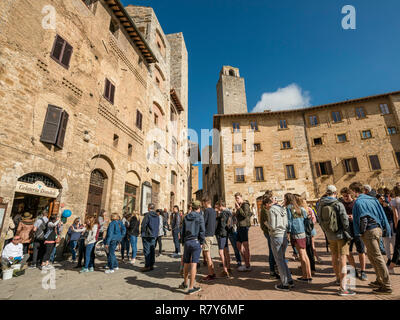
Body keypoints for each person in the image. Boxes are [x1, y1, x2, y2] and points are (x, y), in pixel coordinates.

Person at [349, 182, 392, 295]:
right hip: (377, 229)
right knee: (372, 256)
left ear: (354, 191)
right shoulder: (373, 200)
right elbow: (382, 214)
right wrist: (385, 227)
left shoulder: (358, 202)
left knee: (377, 257)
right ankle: (379, 280)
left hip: (369, 231)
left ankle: (387, 286)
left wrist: (359, 232)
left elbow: (361, 219)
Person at [318, 185, 354, 296]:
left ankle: (338, 278)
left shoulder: (321, 203)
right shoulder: (338, 204)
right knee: (343, 258)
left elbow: (319, 219)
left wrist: (326, 230)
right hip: (341, 234)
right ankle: (343, 288)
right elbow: (345, 220)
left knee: (334, 256)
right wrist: (346, 231)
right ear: (335, 192)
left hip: (329, 234)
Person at [263, 196, 294, 291]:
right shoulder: (282, 208)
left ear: (267, 204)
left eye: (265, 206)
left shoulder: (272, 210)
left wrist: (266, 224)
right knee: (282, 259)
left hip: (276, 236)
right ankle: (289, 280)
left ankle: (284, 284)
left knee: (279, 261)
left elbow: (273, 226)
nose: (266, 208)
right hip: (284, 235)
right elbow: (286, 223)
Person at [339, 187, 367, 281]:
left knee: (361, 251)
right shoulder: (341, 204)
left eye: (346, 196)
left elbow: (363, 214)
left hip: (357, 230)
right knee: (348, 252)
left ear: (351, 194)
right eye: (343, 196)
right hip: (347, 231)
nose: (345, 198)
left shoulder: (356, 203)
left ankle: (363, 271)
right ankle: (354, 270)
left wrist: (354, 217)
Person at [178, 200, 205, 295]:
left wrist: (182, 242)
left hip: (187, 242)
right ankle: (191, 287)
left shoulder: (186, 217)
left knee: (186, 263)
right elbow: (202, 231)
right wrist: (201, 242)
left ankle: (185, 283)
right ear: (199, 208)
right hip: (195, 241)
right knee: (194, 264)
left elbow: (183, 230)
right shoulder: (200, 217)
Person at [285, 193, 312, 282]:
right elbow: (305, 218)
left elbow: (289, 221)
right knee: (305, 254)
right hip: (302, 232)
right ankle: (309, 275)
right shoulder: (300, 208)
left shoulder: (289, 208)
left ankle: (305, 276)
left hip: (295, 232)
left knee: (301, 255)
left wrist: (288, 232)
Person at [295, 195, 316, 275]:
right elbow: (314, 220)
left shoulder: (301, 210)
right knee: (309, 250)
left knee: (307, 251)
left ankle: (310, 268)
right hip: (309, 231)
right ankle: (310, 267)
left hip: (305, 232)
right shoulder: (308, 209)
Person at [259, 195, 278, 279]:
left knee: (273, 251)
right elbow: (268, 223)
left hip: (270, 232)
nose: (271, 204)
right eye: (270, 203)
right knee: (272, 251)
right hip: (269, 232)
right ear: (266, 204)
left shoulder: (267, 209)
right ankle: (272, 271)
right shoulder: (265, 211)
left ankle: (275, 269)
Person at [234, 192, 252, 272]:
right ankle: (246, 261)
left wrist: (238, 208)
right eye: (236, 198)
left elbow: (245, 215)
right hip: (239, 227)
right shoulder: (240, 205)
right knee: (238, 245)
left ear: (241, 197)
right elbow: (239, 215)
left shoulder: (245, 205)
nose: (237, 199)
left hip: (244, 226)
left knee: (245, 246)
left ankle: (248, 265)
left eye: (238, 198)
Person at [140, 203, 159, 272]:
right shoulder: (157, 216)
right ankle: (151, 265)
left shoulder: (147, 215)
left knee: (147, 250)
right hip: (154, 235)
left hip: (147, 235)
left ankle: (147, 265)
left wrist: (142, 232)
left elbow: (143, 225)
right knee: (152, 250)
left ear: (148, 208)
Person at [201, 198, 217, 281]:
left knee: (207, 255)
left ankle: (211, 274)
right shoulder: (214, 211)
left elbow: (203, 222)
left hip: (207, 235)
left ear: (206, 203)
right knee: (208, 254)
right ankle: (212, 272)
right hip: (211, 234)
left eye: (203, 204)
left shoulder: (207, 211)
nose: (203, 205)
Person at [215, 200, 231, 278]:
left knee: (221, 252)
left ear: (221, 206)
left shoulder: (224, 213)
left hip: (222, 234)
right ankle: (228, 267)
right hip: (226, 233)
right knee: (226, 250)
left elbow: (222, 225)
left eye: (218, 206)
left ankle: (225, 270)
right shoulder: (229, 212)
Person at [377, 194, 395, 263]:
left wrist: (387, 207)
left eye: (383, 198)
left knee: (393, 241)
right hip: (383, 225)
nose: (382, 199)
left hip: (391, 224)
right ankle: (389, 259)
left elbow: (393, 213)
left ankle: (395, 258)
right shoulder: (377, 206)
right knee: (386, 242)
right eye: (381, 198)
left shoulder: (388, 204)